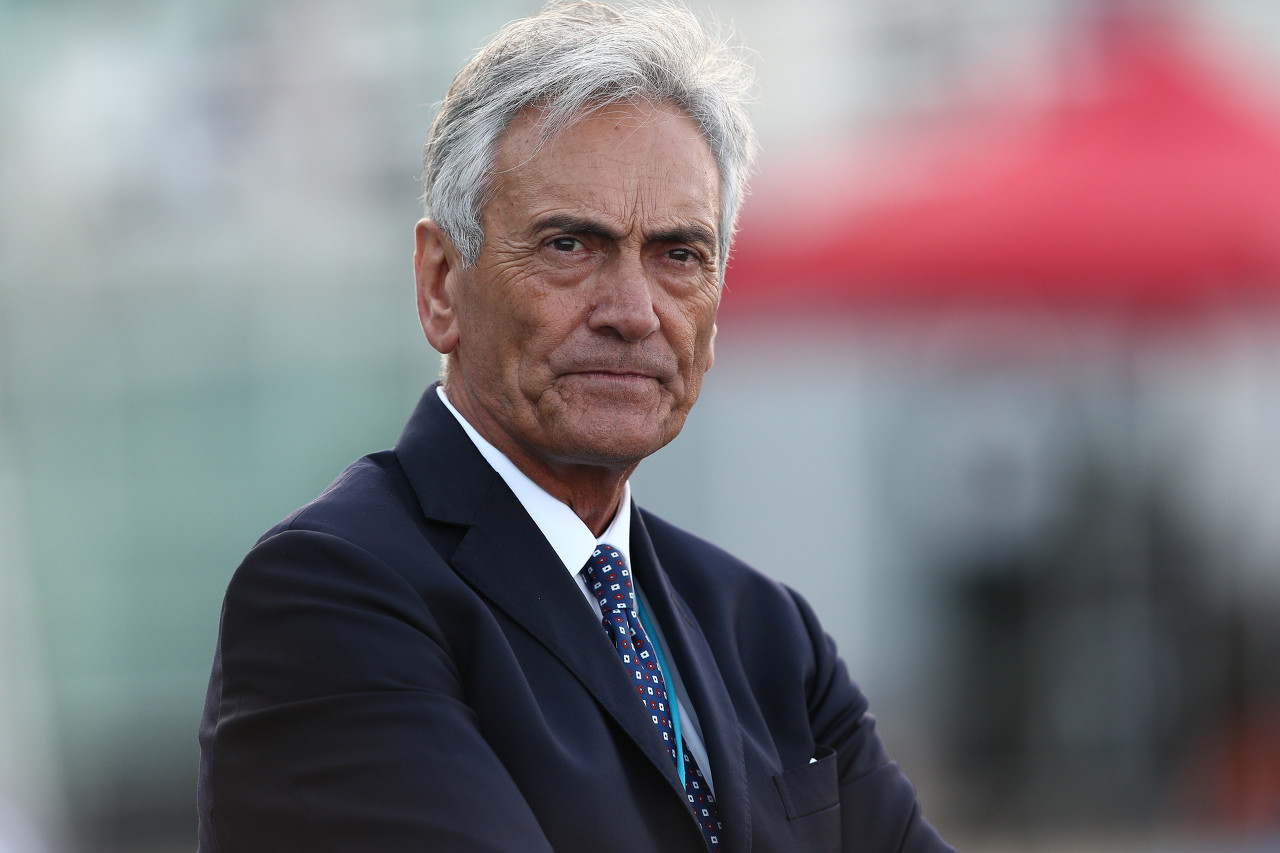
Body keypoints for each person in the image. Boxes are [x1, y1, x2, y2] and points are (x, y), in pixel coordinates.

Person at [197, 2, 954, 851]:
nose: (633, 311)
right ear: (441, 285)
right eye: (569, 246)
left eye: (679, 255)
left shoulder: (768, 635)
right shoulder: (333, 596)